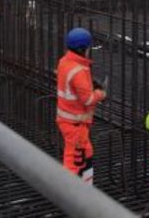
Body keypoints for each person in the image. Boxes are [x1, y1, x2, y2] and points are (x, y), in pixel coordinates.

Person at [55, 27, 106, 184]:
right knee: (74, 161)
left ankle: (86, 186)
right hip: (75, 124)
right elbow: (88, 99)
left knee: (87, 152)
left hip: (70, 121)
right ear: (84, 48)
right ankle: (71, 195)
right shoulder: (78, 71)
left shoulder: (65, 61)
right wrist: (101, 94)